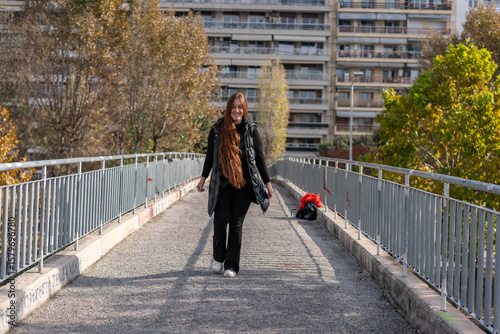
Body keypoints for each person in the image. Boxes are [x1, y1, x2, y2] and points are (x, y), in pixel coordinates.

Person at [196, 92, 273, 278]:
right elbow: (210, 156)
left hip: (244, 185)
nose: (237, 110)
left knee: (236, 224)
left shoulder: (251, 130)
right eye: (234, 107)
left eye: (240, 107)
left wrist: (268, 183)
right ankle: (218, 259)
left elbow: (260, 158)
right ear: (229, 108)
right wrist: (202, 178)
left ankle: (231, 265)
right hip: (222, 183)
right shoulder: (217, 129)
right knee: (220, 220)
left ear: (244, 109)